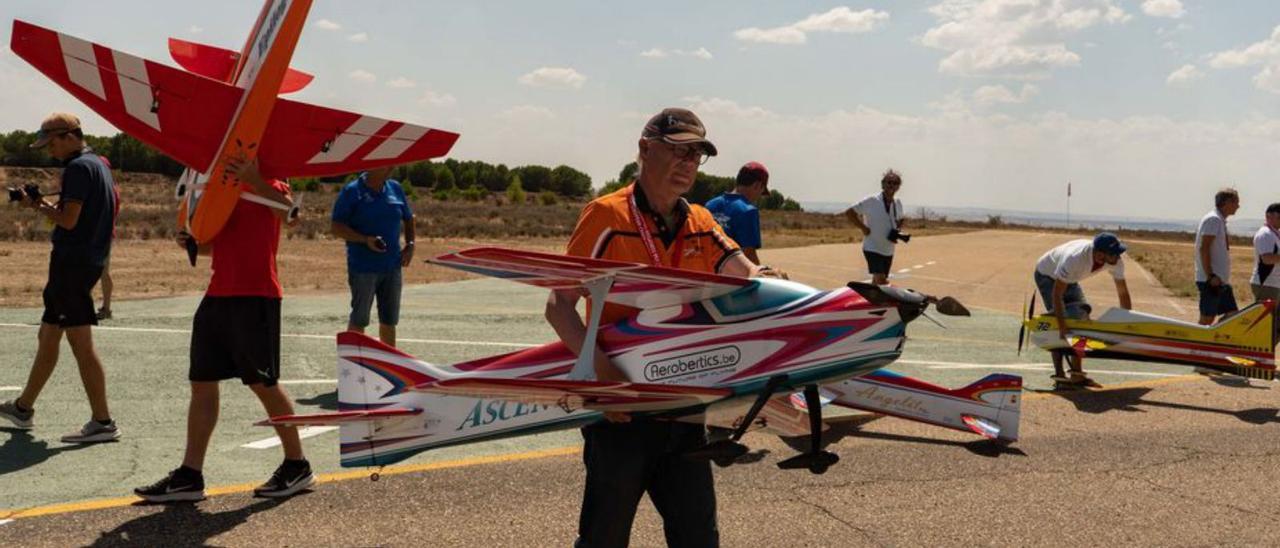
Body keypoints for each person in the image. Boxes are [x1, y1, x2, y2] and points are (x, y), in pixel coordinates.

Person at [545, 108, 777, 548]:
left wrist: (771, 279)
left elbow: (747, 274)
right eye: (678, 151)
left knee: (698, 539)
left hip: (685, 409)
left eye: (696, 154)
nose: (688, 163)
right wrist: (602, 374)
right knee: (603, 538)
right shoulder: (605, 217)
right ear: (645, 149)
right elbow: (559, 305)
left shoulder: (701, 222)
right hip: (622, 412)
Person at [135, 157, 313, 502]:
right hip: (219, 293)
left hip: (256, 294)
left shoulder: (272, 180)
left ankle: (297, 464)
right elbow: (218, 244)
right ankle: (190, 475)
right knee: (201, 382)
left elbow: (292, 217)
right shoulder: (221, 188)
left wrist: (255, 179)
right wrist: (190, 241)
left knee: (264, 384)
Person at [0, 113, 120, 443]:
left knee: (81, 343)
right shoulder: (98, 164)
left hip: (73, 265)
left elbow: (68, 220)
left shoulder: (79, 168)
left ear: (69, 136)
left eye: (51, 143)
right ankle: (23, 408)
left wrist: (36, 205)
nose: (49, 150)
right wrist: (42, 203)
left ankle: (103, 421)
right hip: (81, 262)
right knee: (48, 334)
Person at [330, 166, 414, 347]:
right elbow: (336, 227)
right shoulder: (352, 191)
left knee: (389, 320)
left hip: (392, 266)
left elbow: (408, 218)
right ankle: (352, 367)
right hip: (363, 268)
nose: (392, 167)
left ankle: (389, 366)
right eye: (387, 163)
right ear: (373, 165)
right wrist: (364, 239)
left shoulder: (395, 188)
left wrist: (410, 245)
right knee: (359, 319)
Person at [1033, 233, 1132, 387]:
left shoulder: (1116, 262)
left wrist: (1128, 323)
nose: (1119, 257)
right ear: (1100, 255)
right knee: (1060, 323)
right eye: (1115, 254)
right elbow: (1057, 294)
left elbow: (1123, 293)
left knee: (1081, 320)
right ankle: (1060, 377)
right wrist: (1062, 326)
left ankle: (1077, 375)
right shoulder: (1075, 260)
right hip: (1047, 274)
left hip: (1070, 278)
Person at [846, 169, 906, 285]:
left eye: (895, 183)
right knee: (882, 281)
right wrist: (863, 228)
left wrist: (897, 230)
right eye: (889, 182)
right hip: (872, 248)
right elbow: (850, 213)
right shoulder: (872, 200)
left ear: (898, 187)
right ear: (882, 184)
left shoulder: (897, 203)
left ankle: (871, 302)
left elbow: (901, 219)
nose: (892, 185)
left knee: (876, 285)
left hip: (888, 249)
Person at [705, 162, 769, 264]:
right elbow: (749, 254)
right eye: (761, 192)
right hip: (731, 274)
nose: (759, 196)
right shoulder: (748, 211)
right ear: (757, 185)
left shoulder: (710, 205)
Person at [1195, 188, 1240, 325]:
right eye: (1236, 202)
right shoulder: (1213, 220)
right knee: (1207, 318)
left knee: (1232, 314)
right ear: (1226, 202)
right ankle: (1196, 344)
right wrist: (1210, 276)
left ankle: (1211, 339)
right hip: (1211, 280)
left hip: (1221, 281)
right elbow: (1204, 248)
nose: (1238, 206)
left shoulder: (1219, 220)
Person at [97, 156, 119, 321]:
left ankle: (105, 308)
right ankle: (107, 307)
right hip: (106, 233)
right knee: (104, 272)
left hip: (99, 233)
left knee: (94, 271)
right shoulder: (112, 187)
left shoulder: (103, 187)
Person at [1251, 203, 1280, 304]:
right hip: (1266, 283)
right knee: (1267, 318)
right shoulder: (1265, 234)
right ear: (1269, 216)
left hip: (1273, 283)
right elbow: (1267, 259)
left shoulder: (1275, 234)